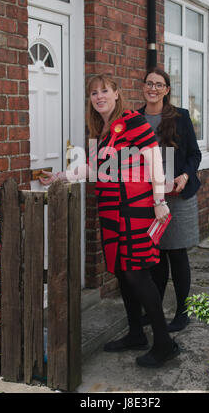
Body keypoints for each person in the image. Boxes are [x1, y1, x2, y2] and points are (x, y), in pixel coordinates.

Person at [39, 73, 180, 368]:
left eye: (105, 91)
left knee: (137, 274)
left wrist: (160, 200)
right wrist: (60, 176)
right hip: (112, 210)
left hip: (137, 208)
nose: (99, 96)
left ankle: (164, 343)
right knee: (121, 271)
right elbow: (92, 169)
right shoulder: (100, 130)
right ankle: (135, 333)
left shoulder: (132, 121)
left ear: (117, 93)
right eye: (94, 93)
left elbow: (156, 160)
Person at [138, 67, 202, 332]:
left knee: (176, 253)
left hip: (178, 196)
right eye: (149, 83)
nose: (153, 88)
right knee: (156, 256)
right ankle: (155, 309)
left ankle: (182, 312)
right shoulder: (135, 119)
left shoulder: (181, 117)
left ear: (166, 90)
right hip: (150, 197)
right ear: (143, 87)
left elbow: (194, 155)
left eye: (159, 84)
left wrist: (185, 176)